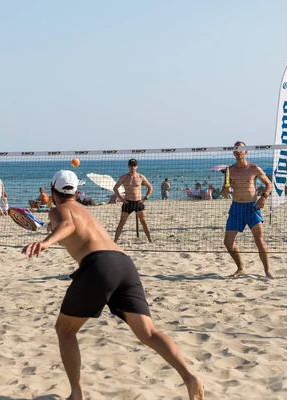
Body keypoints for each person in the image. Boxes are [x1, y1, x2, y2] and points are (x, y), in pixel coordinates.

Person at [22, 170, 204, 400]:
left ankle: (76, 393)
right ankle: (189, 377)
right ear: (77, 193)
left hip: (99, 266)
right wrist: (54, 230)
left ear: (51, 192)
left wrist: (46, 242)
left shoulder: (58, 210)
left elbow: (67, 223)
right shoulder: (85, 211)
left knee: (65, 330)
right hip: (124, 264)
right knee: (148, 332)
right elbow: (72, 226)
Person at [221, 141, 274, 278]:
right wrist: (226, 187)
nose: (239, 151)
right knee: (228, 242)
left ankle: (267, 270)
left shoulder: (253, 168)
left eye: (241, 149)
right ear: (233, 152)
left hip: (252, 207)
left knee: (259, 240)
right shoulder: (230, 170)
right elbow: (224, 194)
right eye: (236, 149)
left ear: (246, 152)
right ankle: (241, 268)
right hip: (236, 207)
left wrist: (264, 197)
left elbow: (269, 184)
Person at [113, 159, 153, 243]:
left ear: (137, 166)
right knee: (121, 223)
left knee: (144, 222)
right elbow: (115, 188)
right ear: (128, 166)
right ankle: (115, 241)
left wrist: (145, 198)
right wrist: (121, 199)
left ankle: (150, 241)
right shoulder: (124, 177)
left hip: (138, 203)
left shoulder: (141, 177)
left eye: (134, 165)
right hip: (128, 203)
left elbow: (150, 188)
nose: (132, 167)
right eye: (131, 165)